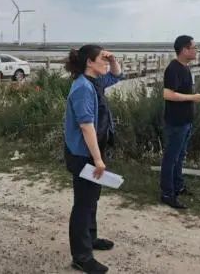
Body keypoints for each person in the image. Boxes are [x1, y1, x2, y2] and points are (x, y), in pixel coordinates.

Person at [64, 45, 123, 274]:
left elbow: (117, 76)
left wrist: (113, 59)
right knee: (83, 203)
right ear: (89, 62)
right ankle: (81, 257)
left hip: (93, 150)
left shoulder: (95, 82)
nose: (106, 63)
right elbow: (86, 126)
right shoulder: (82, 88)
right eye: (102, 59)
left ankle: (90, 237)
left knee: (92, 198)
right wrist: (97, 160)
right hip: (83, 154)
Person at [160, 35, 200, 209]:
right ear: (185, 50)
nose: (196, 51)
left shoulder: (185, 68)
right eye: (194, 48)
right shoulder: (173, 69)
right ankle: (167, 193)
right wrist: (192, 97)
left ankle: (178, 186)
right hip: (176, 122)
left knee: (180, 156)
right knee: (171, 158)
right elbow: (168, 94)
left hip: (186, 121)